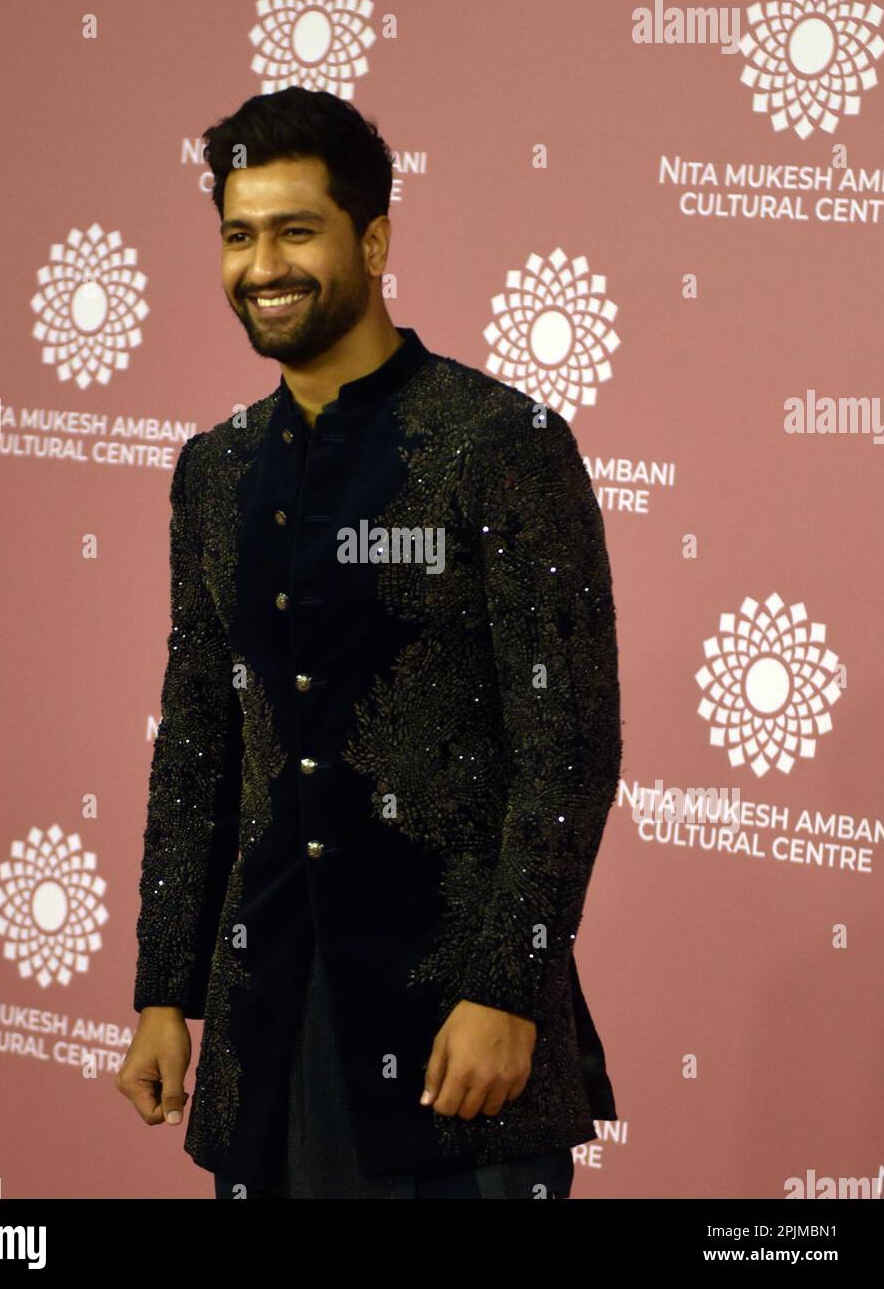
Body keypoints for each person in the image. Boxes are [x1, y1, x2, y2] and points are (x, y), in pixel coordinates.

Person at [116, 87, 622, 1199]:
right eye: (239, 235)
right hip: (269, 1031)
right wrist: (164, 991)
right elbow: (199, 736)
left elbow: (569, 745)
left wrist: (507, 988)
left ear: (374, 237)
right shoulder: (216, 471)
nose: (264, 265)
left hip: (459, 1049)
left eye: (296, 230)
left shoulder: (501, 446)